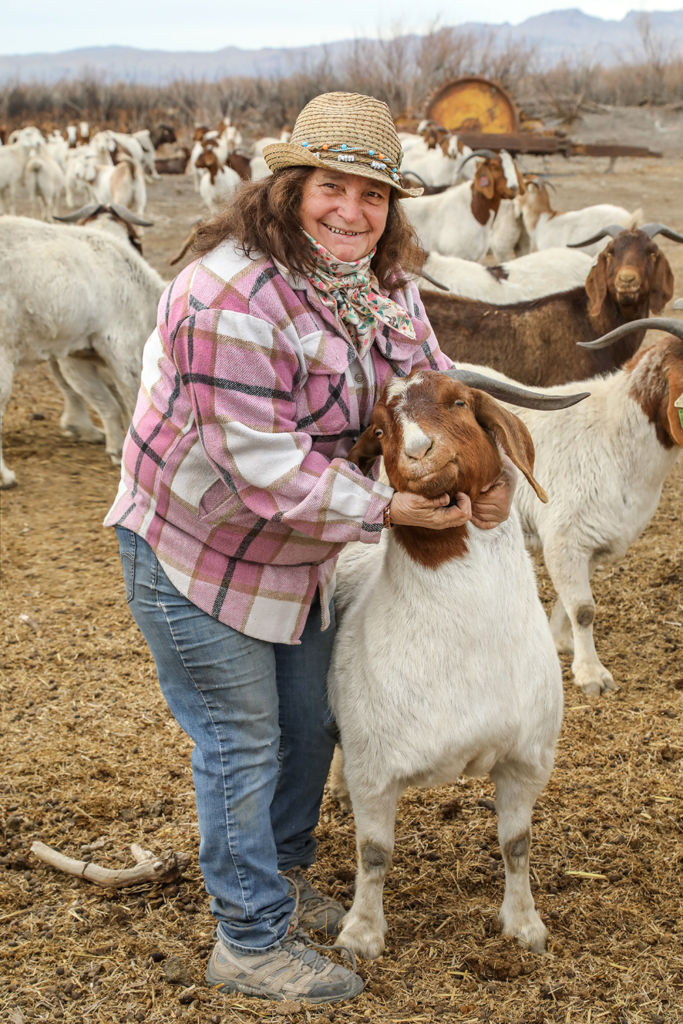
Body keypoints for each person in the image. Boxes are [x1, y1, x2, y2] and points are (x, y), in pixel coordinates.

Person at [104, 92, 517, 1006]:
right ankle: (248, 941)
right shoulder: (226, 296)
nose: (351, 211)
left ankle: (280, 880)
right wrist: (392, 509)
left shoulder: (384, 283)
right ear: (288, 188)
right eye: (331, 187)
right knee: (241, 741)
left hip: (304, 549)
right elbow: (259, 467)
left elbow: (422, 383)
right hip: (198, 551)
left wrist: (473, 462)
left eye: (372, 196)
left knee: (309, 722)